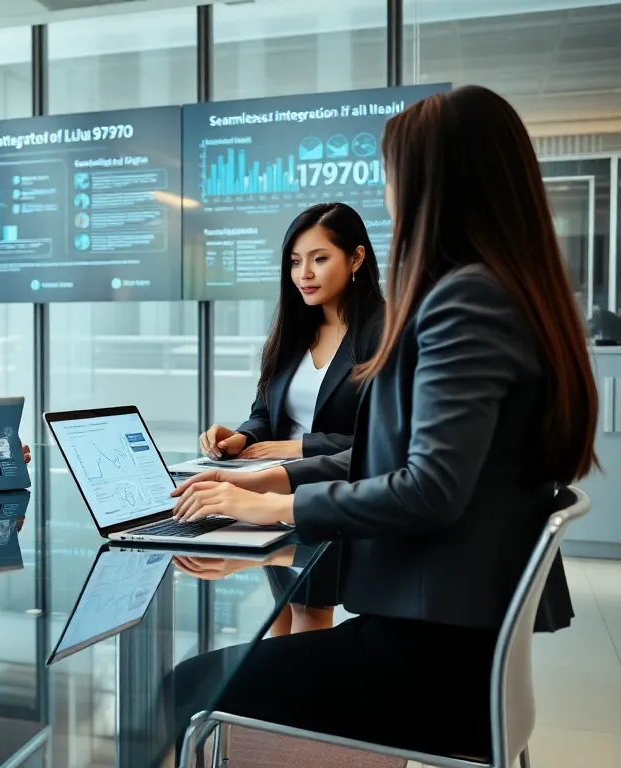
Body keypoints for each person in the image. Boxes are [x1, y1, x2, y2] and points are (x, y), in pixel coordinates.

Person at [167, 85, 595, 759]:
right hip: (450, 638)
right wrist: (268, 498)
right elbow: (390, 461)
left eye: (393, 174)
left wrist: (278, 508)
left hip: (431, 662)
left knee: (185, 689)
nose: (389, 193)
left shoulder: (465, 300)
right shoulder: (501, 292)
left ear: (436, 182)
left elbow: (428, 489)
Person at [199, 202, 385, 636]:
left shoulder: (383, 330)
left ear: (356, 258)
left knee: (309, 613)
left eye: (320, 259)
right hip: (272, 492)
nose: (305, 273)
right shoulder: (296, 329)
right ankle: (264, 705)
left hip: (332, 494)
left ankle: (299, 704)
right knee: (279, 613)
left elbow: (381, 440)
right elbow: (265, 412)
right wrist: (242, 438)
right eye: (295, 262)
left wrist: (300, 447)